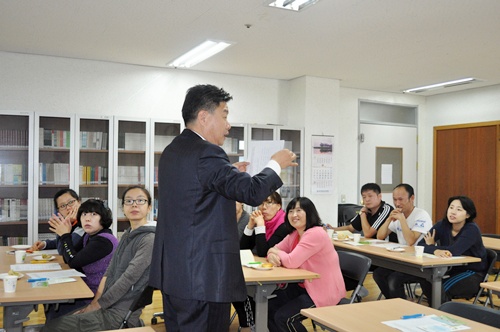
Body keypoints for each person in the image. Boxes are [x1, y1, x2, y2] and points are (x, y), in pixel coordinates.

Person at [149, 84, 298, 332]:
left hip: (175, 274)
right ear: (204, 116)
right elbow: (252, 192)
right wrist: (276, 164)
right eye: (225, 114)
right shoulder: (207, 152)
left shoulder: (172, 151)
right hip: (203, 278)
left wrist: (229, 175)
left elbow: (196, 200)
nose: (228, 124)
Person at [41, 186, 156, 331]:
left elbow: (127, 279)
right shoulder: (127, 235)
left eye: (140, 200)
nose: (134, 204)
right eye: (129, 201)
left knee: (52, 327)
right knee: (54, 321)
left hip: (118, 314)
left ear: (149, 207)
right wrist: (94, 304)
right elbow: (109, 272)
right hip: (105, 305)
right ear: (123, 207)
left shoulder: (149, 239)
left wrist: (96, 305)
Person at [267, 197, 346, 332]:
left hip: (322, 291)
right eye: (291, 211)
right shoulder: (295, 234)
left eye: (299, 210)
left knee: (283, 317)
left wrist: (276, 253)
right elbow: (272, 249)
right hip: (304, 286)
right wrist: (273, 253)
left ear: (309, 213)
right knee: (269, 306)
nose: (294, 215)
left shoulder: (316, 233)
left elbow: (291, 261)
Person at [44, 199, 119, 320]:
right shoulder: (90, 235)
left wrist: (64, 235)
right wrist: (65, 230)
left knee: (55, 310)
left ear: (103, 218)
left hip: (95, 297)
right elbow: (68, 254)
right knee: (51, 303)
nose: (87, 219)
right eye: (84, 214)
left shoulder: (103, 241)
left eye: (94, 214)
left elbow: (73, 261)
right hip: (85, 288)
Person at [417, 195, 487, 307]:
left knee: (438, 288)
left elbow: (454, 251)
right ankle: (437, 310)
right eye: (451, 207)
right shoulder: (443, 225)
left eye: (459, 209)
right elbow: (421, 244)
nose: (453, 212)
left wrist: (432, 247)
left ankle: (444, 314)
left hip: (471, 272)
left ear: (468, 215)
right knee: (426, 278)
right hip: (450, 269)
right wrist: (435, 250)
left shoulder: (471, 229)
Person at [235, 192, 290, 331]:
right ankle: (250, 324)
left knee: (241, 290)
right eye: (262, 203)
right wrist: (250, 225)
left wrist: (260, 225)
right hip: (266, 272)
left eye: (269, 203)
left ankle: (250, 325)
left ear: (278, 206)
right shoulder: (265, 223)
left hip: (283, 279)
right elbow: (243, 248)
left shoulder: (283, 225)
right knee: (235, 288)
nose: (264, 207)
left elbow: (263, 251)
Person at [373, 183, 433, 300]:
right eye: (394, 199)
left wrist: (402, 220)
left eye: (401, 199)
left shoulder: (421, 215)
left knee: (394, 279)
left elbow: (410, 241)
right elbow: (380, 236)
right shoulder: (398, 215)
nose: (397, 203)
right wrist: (389, 219)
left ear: (412, 198)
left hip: (420, 262)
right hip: (403, 260)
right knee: (379, 274)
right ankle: (393, 302)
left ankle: (402, 306)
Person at [30, 189, 85, 254]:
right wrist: (45, 244)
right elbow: (65, 241)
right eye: (62, 206)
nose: (68, 208)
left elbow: (63, 250)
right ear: (58, 211)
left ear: (79, 202)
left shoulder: (85, 224)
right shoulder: (73, 223)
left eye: (71, 202)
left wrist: (63, 225)